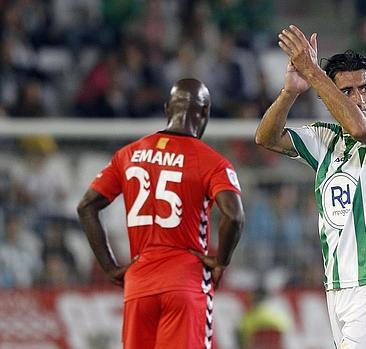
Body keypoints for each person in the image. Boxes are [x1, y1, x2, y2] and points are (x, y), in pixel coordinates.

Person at [255, 25, 366, 348]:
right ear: (330, 98)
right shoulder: (323, 138)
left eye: (364, 88)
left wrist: (313, 72)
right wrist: (290, 92)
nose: (358, 98)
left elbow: (359, 128)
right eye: (347, 92)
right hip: (338, 283)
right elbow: (266, 138)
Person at [77, 78, 244, 349]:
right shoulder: (212, 161)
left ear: (168, 109)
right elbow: (234, 216)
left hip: (139, 283)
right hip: (185, 279)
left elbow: (86, 206)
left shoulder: (128, 154)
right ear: (205, 112)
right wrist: (221, 261)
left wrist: (109, 268)